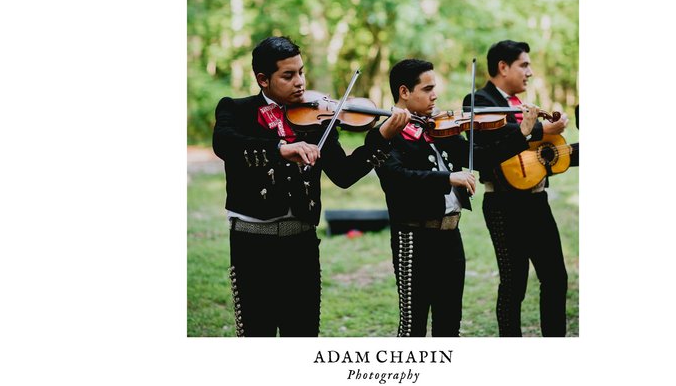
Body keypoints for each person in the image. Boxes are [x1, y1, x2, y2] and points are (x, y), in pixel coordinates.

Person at [212, 36, 411, 336]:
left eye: (301, 72)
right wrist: (280, 148)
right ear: (262, 79)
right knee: (257, 334)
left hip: (302, 245)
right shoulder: (236, 110)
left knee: (303, 334)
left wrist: (381, 137)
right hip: (253, 247)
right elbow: (224, 143)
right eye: (288, 76)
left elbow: (344, 174)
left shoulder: (317, 119)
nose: (300, 83)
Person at [372, 58, 537, 337]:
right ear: (404, 92)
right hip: (413, 238)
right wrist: (448, 178)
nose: (435, 95)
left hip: (450, 235)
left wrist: (521, 134)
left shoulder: (437, 127)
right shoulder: (386, 133)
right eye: (427, 89)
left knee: (450, 323)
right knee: (413, 326)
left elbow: (482, 158)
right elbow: (396, 178)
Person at [462, 40, 572, 337]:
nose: (530, 72)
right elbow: (489, 143)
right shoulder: (478, 101)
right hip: (503, 204)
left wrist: (552, 145)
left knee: (556, 278)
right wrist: (539, 129)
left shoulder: (522, 105)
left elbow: (532, 156)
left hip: (538, 200)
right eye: (524, 65)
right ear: (502, 67)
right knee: (514, 284)